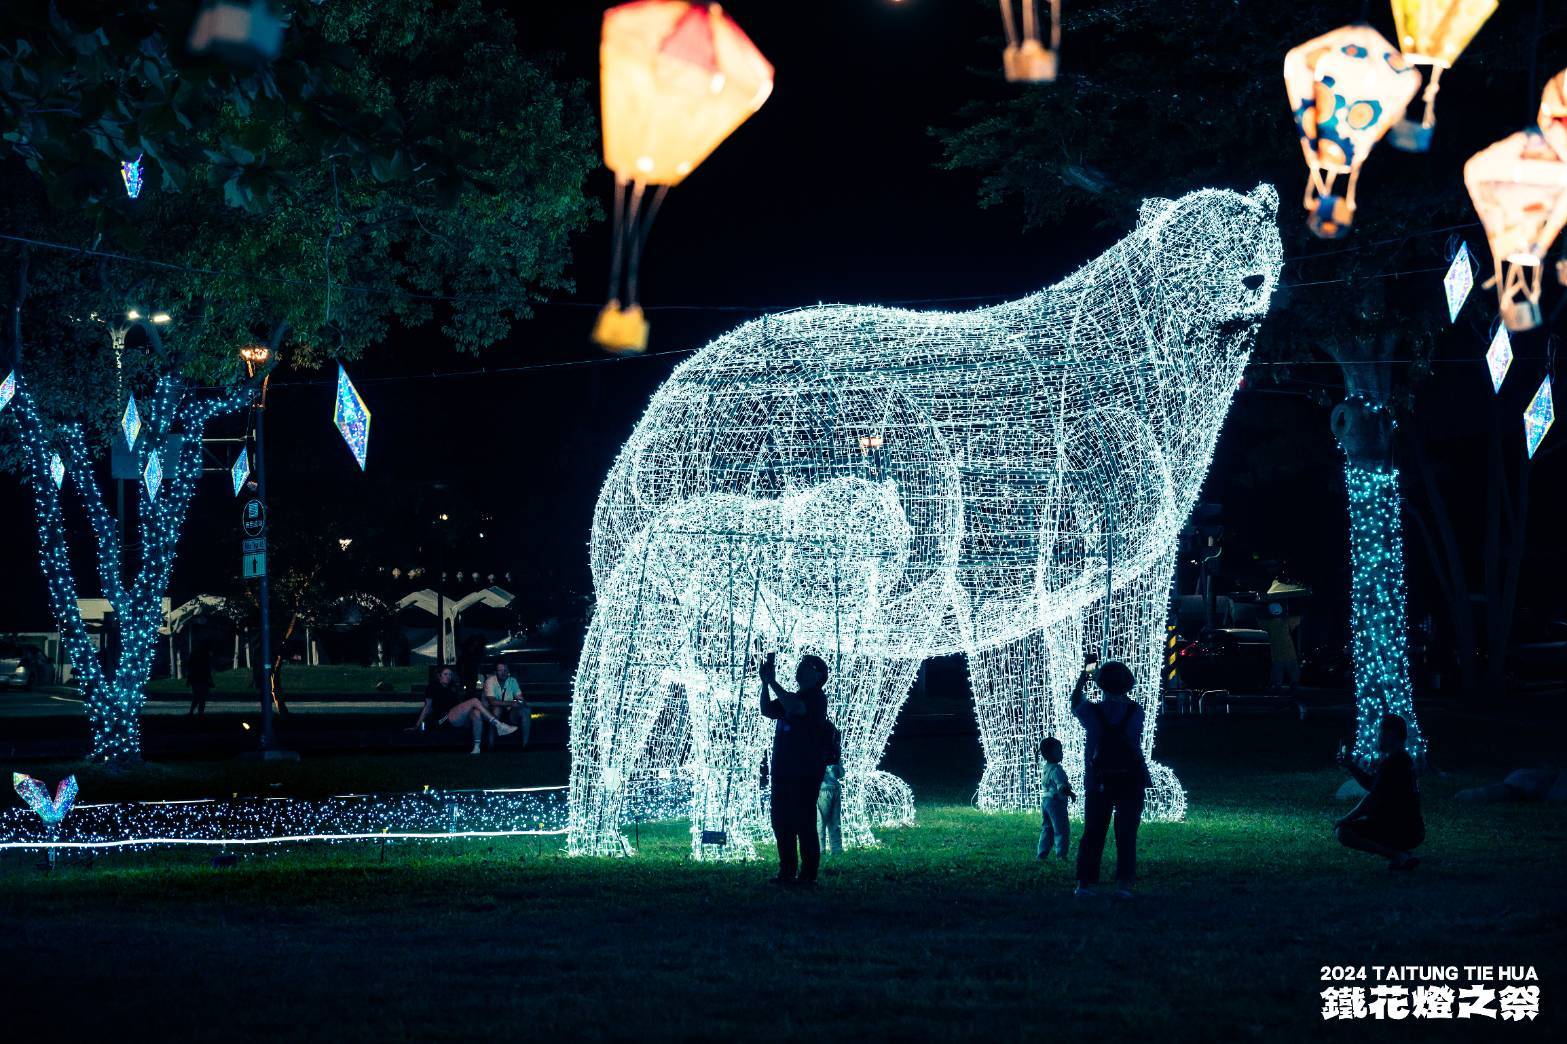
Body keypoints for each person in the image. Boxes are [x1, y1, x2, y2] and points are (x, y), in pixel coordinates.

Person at [1070, 658, 1151, 899]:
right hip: (1132, 778)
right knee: (1127, 832)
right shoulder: (1136, 712)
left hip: (1098, 780)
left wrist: (1084, 678)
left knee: (1093, 831)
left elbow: (1075, 702)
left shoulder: (1091, 712)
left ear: (1100, 684)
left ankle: (1085, 883)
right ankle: (1124, 885)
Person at [759, 652, 832, 887]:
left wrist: (772, 682)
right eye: (800, 664)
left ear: (819, 674)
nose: (800, 668)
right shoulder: (795, 695)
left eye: (806, 666)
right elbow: (767, 710)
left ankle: (808, 874)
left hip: (804, 771)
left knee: (804, 822)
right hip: (783, 769)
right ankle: (786, 871)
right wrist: (764, 684)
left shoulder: (816, 698)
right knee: (782, 822)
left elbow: (796, 708)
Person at [1334, 715, 1424, 871]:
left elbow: (1372, 798)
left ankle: (1396, 855)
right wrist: (1351, 766)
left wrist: (1345, 819)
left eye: (1378, 733)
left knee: (1343, 832)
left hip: (1400, 828)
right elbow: (1373, 785)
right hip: (1410, 827)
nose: (1377, 737)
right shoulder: (1402, 760)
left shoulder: (1394, 763)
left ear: (1390, 734)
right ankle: (1400, 853)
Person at [409, 664, 517, 754]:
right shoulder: (432, 687)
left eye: (450, 674)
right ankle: (499, 725)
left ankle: (476, 748)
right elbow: (427, 707)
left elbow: (458, 705)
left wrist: (466, 709)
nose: (448, 676)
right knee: (474, 701)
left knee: (476, 713)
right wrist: (417, 725)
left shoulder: (453, 687)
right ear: (439, 676)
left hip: (455, 716)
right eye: (445, 674)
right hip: (442, 719)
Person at [1036, 736, 1075, 861]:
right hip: (1056, 802)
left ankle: (1042, 853)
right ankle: (1061, 854)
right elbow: (1061, 786)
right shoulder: (1057, 769)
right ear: (1049, 754)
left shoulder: (1046, 767)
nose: (1062, 753)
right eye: (1059, 751)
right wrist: (1070, 793)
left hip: (1045, 801)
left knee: (1047, 828)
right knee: (1061, 828)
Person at [483, 662, 531, 746]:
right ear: (496, 672)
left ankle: (525, 745)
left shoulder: (512, 681)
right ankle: (490, 744)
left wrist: (520, 702)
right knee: (496, 709)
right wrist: (512, 702)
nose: (503, 672)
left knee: (525, 711)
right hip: (493, 712)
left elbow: (520, 699)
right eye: (500, 670)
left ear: (508, 671)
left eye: (505, 670)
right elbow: (492, 701)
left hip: (510, 711)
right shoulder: (490, 681)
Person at [817, 726, 846, 860]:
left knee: (821, 821)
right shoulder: (835, 753)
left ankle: (821, 850)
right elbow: (841, 773)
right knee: (834, 821)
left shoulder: (819, 752)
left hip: (822, 790)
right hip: (834, 789)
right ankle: (836, 849)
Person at [1264, 601, 1301, 694]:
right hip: (1290, 653)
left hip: (1276, 654)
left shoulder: (1268, 624)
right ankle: (1293, 689)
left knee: (1277, 673)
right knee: (1294, 673)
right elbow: (1298, 619)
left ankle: (1277, 688)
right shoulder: (1286, 621)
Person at [186, 644, 215, 717]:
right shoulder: (206, 657)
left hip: (196, 679)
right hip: (202, 679)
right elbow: (207, 670)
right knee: (202, 697)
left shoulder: (194, 655)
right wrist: (211, 680)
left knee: (197, 696)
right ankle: (199, 713)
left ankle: (193, 712)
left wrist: (189, 679)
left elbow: (190, 668)